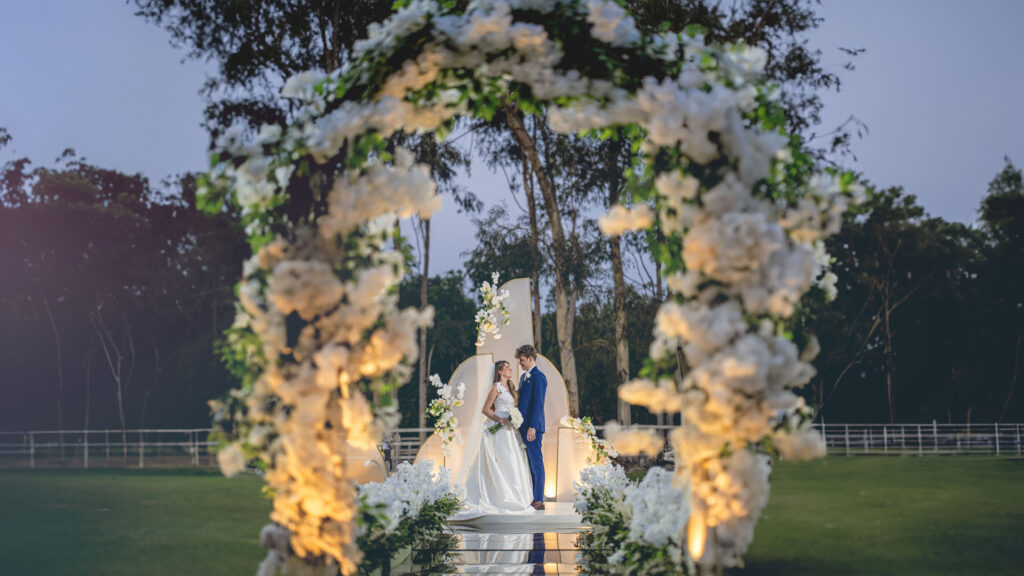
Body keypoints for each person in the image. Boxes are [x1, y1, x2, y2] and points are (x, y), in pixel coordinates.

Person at [454, 360, 535, 517]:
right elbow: (485, 409)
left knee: (512, 460)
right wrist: (500, 420)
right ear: (499, 371)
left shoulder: (510, 387)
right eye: (507, 367)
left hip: (510, 429)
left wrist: (515, 420)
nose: (510, 369)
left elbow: (512, 409)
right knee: (501, 459)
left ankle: (513, 495)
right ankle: (495, 497)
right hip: (499, 429)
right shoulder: (496, 387)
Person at [515, 344, 547, 510]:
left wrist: (533, 427)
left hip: (533, 429)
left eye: (522, 361)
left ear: (530, 358)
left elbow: (538, 404)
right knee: (529, 464)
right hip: (523, 427)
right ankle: (532, 497)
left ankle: (539, 499)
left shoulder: (539, 377)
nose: (520, 364)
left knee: (536, 463)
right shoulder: (523, 378)